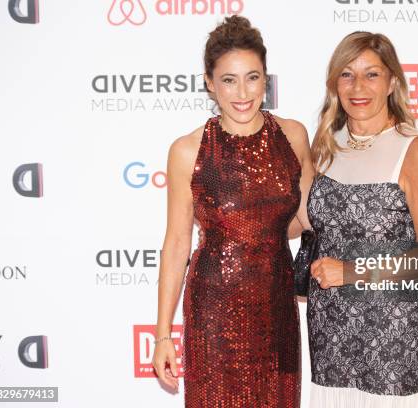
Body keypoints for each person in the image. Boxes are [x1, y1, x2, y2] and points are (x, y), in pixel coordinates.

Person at [151, 15, 314, 407]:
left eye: (253, 77)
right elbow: (176, 243)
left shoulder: (292, 136)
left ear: (266, 79)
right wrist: (162, 335)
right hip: (214, 311)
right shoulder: (187, 150)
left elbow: (306, 219)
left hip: (277, 305)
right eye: (228, 79)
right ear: (209, 83)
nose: (242, 91)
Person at [306, 31, 418, 407]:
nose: (358, 86)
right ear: (334, 84)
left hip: (389, 342)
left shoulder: (413, 149)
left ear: (392, 82)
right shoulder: (325, 147)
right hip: (329, 336)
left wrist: (351, 272)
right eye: (347, 74)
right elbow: (311, 236)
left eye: (371, 74)